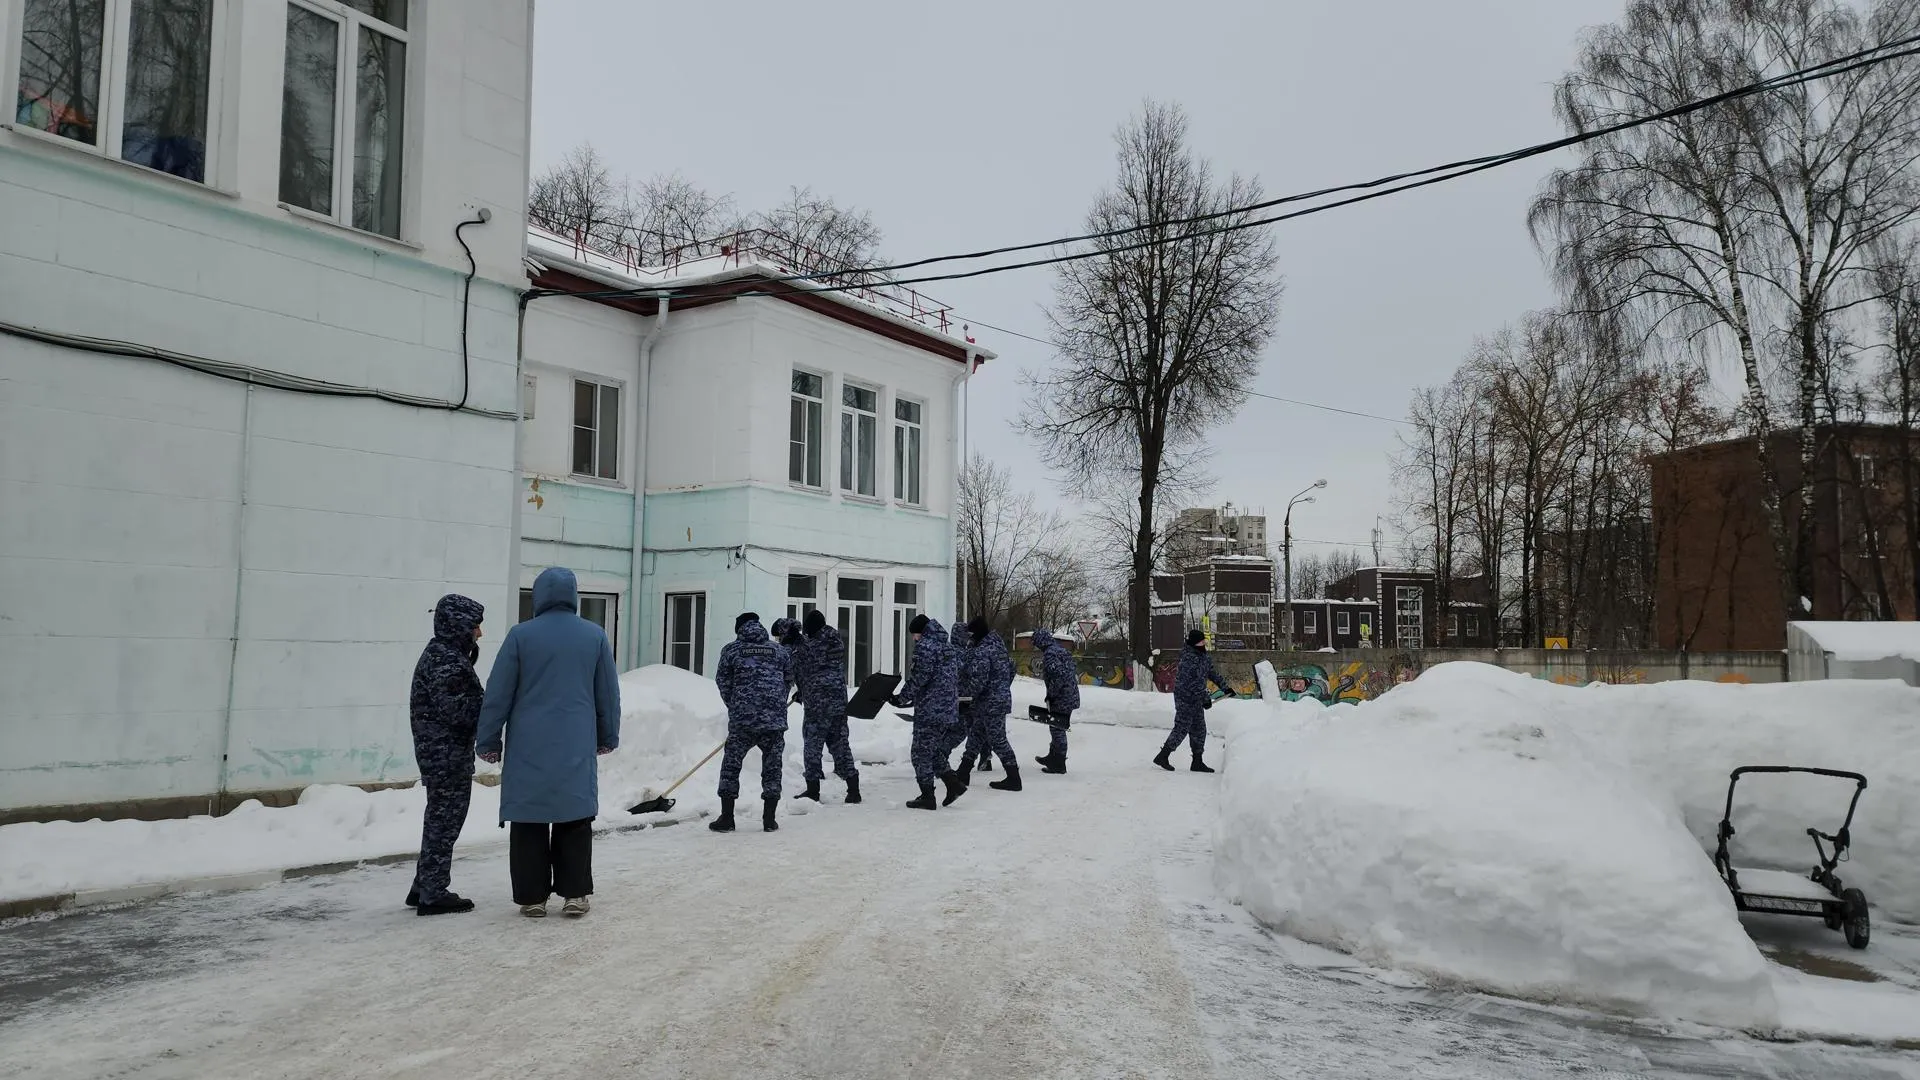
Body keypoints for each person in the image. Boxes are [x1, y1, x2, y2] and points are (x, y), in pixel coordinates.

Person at [476, 567, 620, 919]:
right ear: (574, 595)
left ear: (538, 596)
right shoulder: (594, 636)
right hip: (575, 741)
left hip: (528, 744)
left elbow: (498, 692)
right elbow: (607, 694)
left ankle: (532, 896)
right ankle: (574, 894)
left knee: (529, 817)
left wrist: (489, 739)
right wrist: (607, 735)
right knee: (574, 817)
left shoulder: (520, 636)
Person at [404, 594, 486, 916]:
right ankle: (433, 893)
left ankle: (423, 885)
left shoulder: (445, 654)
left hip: (442, 753)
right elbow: (459, 711)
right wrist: (490, 703)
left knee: (440, 817)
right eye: (475, 626)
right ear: (459, 625)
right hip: (445, 755)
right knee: (445, 820)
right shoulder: (446, 660)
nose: (479, 633)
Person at [712, 613, 795, 833]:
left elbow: (723, 682)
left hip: (743, 722)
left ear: (739, 629)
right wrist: (775, 701)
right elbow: (789, 679)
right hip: (774, 722)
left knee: (731, 766)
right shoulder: (779, 651)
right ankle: (769, 819)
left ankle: (727, 818)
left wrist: (737, 705)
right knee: (772, 767)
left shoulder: (731, 650)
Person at [891, 614, 967, 809]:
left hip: (930, 710)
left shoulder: (925, 647)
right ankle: (954, 784)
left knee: (919, 753)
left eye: (915, 635)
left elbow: (919, 678)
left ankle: (927, 796)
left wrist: (900, 698)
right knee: (932, 750)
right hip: (948, 708)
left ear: (921, 632)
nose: (914, 639)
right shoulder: (947, 645)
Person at [796, 609, 860, 804]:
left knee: (812, 747)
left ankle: (813, 790)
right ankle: (853, 788)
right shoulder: (835, 641)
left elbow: (802, 665)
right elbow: (818, 670)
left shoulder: (812, 646)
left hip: (818, 705)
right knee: (840, 745)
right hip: (838, 703)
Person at [955, 616, 1020, 792]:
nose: (969, 638)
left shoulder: (983, 651)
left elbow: (979, 680)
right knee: (976, 735)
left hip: (991, 703)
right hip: (993, 700)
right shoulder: (998, 647)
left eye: (971, 634)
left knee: (998, 740)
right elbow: (1011, 669)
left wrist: (962, 696)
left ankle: (1014, 778)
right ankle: (963, 771)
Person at [1157, 629, 1234, 773]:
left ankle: (1197, 762)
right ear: (1193, 643)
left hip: (1196, 699)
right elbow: (1195, 684)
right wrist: (1205, 699)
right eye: (1200, 642)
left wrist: (1225, 688)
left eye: (1203, 641)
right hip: (1185, 698)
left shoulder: (1203, 656)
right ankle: (1163, 755)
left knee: (1199, 730)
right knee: (1182, 728)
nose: (1203, 644)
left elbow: (1211, 673)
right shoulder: (1188, 659)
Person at [1031, 629, 1081, 775]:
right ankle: (1052, 757)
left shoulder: (1050, 654)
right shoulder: (1061, 650)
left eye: (1036, 643)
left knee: (1057, 728)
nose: (1036, 646)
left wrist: (1052, 695)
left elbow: (1058, 677)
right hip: (1070, 694)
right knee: (1056, 726)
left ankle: (1058, 763)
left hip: (1062, 697)